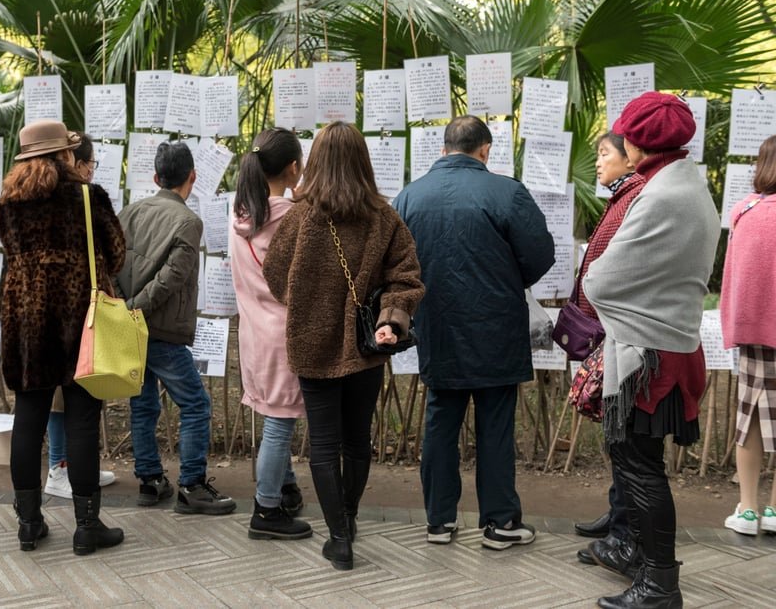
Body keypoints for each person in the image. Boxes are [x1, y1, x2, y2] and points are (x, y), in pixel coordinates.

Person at [264, 121, 425, 570]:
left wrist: (306, 303)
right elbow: (407, 277)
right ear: (362, 161)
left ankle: (338, 539)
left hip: (310, 345)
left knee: (323, 444)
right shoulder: (384, 218)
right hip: (367, 347)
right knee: (356, 440)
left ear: (315, 162)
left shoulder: (300, 217)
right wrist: (390, 319)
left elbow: (275, 274)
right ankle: (349, 518)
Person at [392, 115, 554, 551]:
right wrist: (505, 278)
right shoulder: (507, 192)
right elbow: (540, 255)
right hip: (496, 326)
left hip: (438, 326)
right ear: (485, 151)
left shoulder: (409, 197)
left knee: (440, 422)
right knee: (495, 426)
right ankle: (501, 524)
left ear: (443, 150)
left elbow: (396, 263)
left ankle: (439, 521)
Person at [584, 92, 720, 608]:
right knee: (641, 463)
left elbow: (602, 281)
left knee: (641, 469)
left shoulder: (661, 194)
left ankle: (661, 584)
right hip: (670, 345)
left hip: (649, 356)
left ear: (640, 143)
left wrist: (602, 291)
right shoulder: (687, 183)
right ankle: (639, 557)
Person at [0, 119, 126, 555]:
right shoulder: (88, 197)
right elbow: (116, 255)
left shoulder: (8, 202)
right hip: (79, 318)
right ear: (65, 154)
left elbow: (12, 253)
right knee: (82, 420)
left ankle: (29, 524)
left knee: (28, 418)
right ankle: (87, 526)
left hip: (27, 321)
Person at [114, 140, 236, 515]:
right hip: (161, 332)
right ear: (192, 177)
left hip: (130, 328)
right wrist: (137, 309)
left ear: (156, 178)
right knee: (196, 404)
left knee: (143, 404)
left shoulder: (128, 213)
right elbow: (171, 278)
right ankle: (192, 486)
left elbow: (110, 267)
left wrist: (125, 310)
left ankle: (151, 482)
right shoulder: (188, 222)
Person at [231, 128, 311, 540]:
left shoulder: (242, 212)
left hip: (253, 333)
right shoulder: (292, 217)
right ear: (293, 168)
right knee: (280, 423)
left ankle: (286, 487)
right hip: (283, 334)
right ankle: (265, 510)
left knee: (275, 415)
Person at [572, 133, 646, 576]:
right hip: (607, 330)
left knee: (624, 434)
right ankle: (617, 514)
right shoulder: (621, 196)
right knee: (616, 433)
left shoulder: (635, 197)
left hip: (620, 331)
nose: (598, 162)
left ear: (631, 158)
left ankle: (623, 529)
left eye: (605, 154)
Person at [43, 131, 115, 500]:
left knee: (76, 394)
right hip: (71, 314)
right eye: (91, 163)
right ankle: (59, 468)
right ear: (78, 163)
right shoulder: (82, 200)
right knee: (64, 398)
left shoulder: (33, 198)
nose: (91, 170)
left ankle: (75, 465)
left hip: (51, 314)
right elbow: (114, 254)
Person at [719, 134, 776, 537]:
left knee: (750, 418)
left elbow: (732, 277)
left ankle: (749, 510)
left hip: (754, 333)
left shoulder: (745, 210)